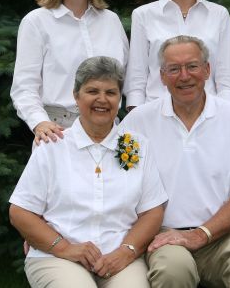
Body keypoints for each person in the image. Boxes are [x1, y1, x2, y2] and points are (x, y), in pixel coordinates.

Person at [120, 36, 230, 288]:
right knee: (173, 272)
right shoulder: (137, 123)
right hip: (164, 235)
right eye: (174, 69)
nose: (184, 76)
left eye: (192, 66)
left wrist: (200, 234)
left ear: (207, 70)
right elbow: (111, 180)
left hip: (225, 234)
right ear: (161, 76)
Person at [9, 56, 167, 288]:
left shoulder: (136, 146)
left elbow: (152, 211)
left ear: (119, 99)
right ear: (76, 96)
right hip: (56, 257)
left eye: (111, 92)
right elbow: (20, 212)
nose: (102, 99)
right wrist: (65, 248)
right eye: (92, 91)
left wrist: (126, 251)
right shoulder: (53, 145)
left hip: (120, 258)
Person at [10, 0, 129, 145]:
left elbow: (126, 78)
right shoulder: (36, 22)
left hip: (109, 133)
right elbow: (24, 87)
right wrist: (39, 123)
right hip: (58, 133)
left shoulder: (111, 21)